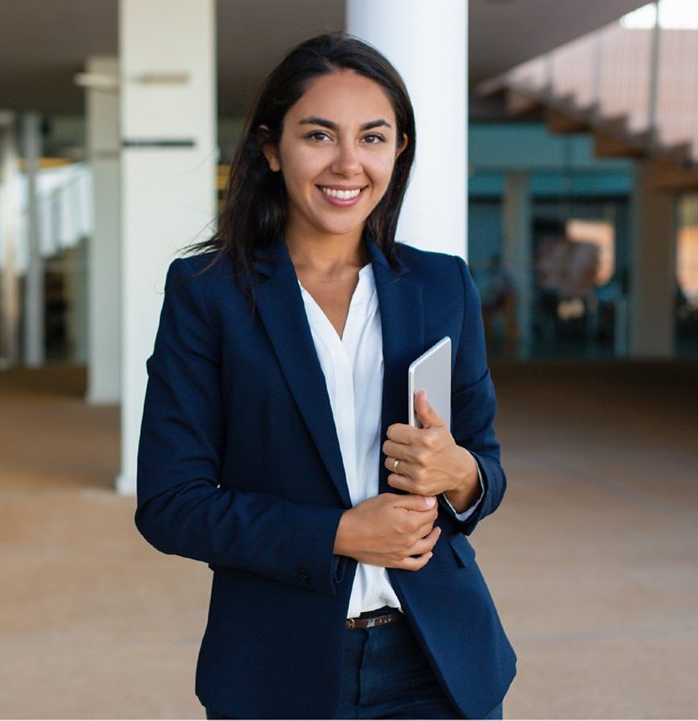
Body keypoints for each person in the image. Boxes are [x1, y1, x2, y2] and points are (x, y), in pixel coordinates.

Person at [135, 33, 514, 720]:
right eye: (319, 135)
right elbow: (170, 503)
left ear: (398, 151)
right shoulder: (208, 293)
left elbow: (484, 471)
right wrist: (338, 531)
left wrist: (458, 472)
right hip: (278, 667)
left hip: (439, 664)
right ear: (272, 149)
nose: (348, 163)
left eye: (373, 138)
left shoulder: (442, 285)